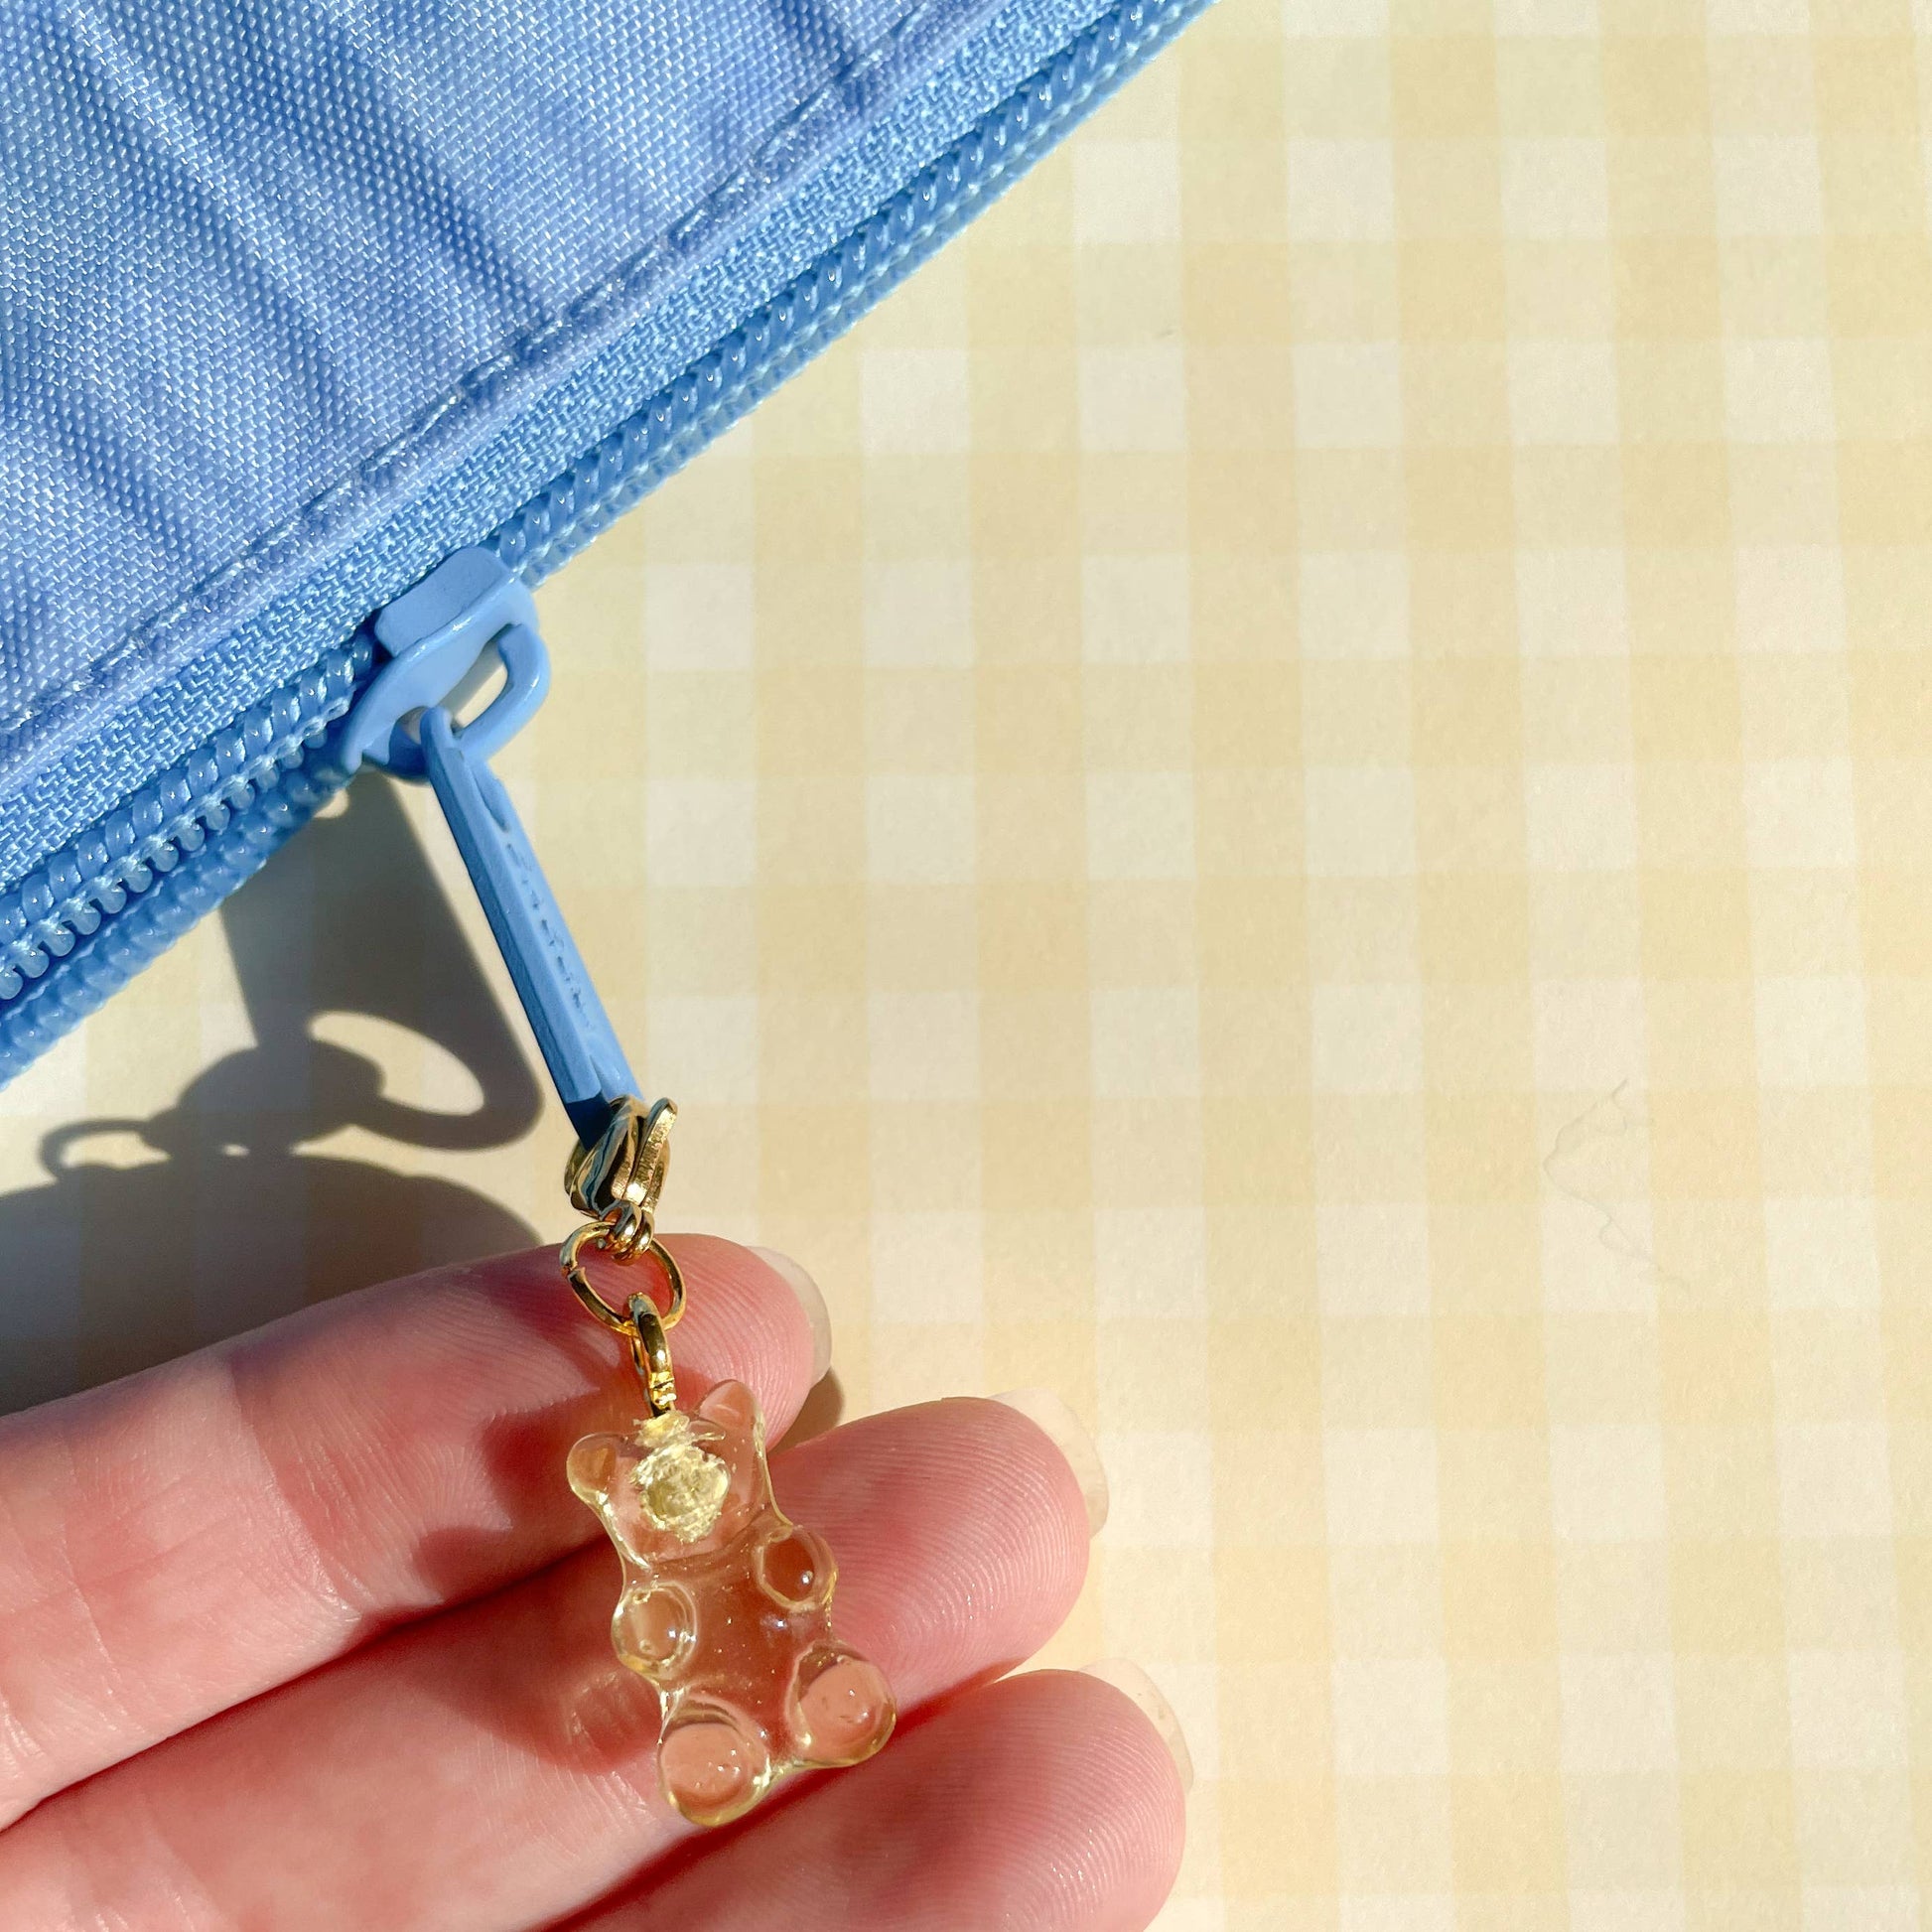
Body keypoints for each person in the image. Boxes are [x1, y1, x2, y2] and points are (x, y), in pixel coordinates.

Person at [0, 1238, 1189, 1926]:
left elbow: (796, 1562)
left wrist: (781, 1569)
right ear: (609, 1485)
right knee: (700, 1691)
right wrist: (665, 1631)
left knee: (813, 1642)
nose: (683, 1495)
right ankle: (722, 1733)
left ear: (728, 1443)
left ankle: (817, 1691)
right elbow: (649, 1628)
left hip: (778, 1625)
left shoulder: (745, 1505)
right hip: (698, 1663)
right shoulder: (642, 1543)